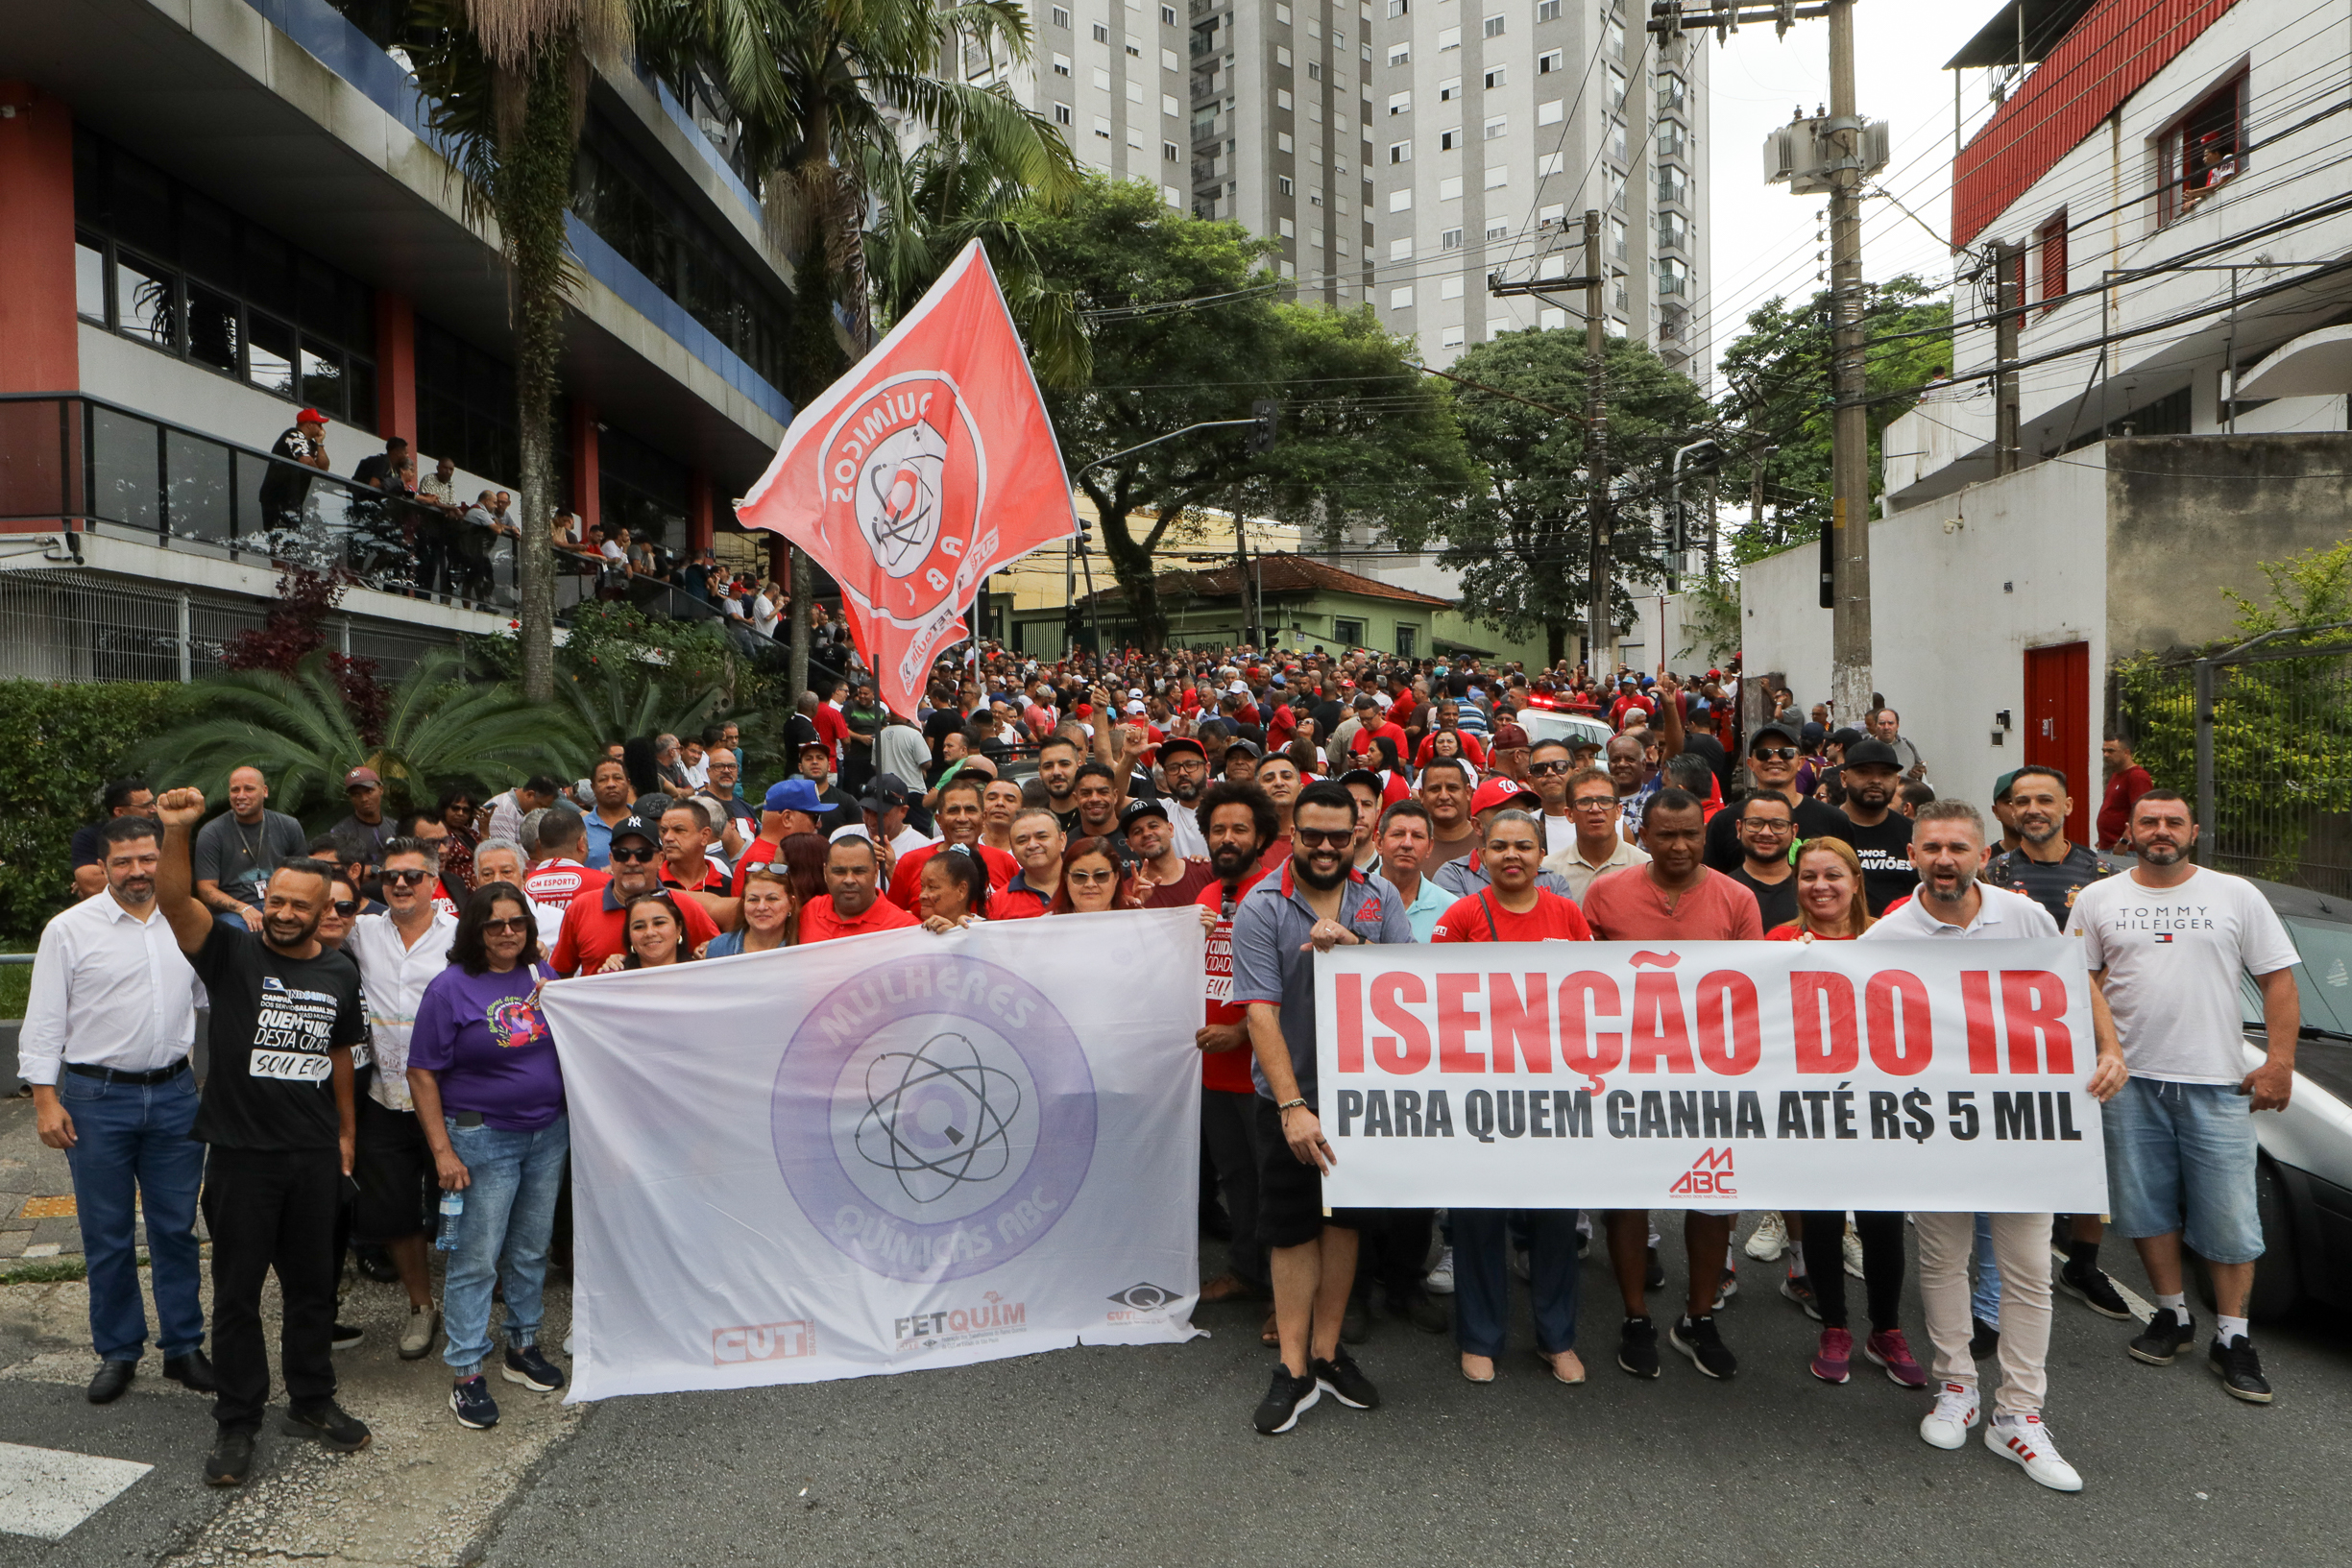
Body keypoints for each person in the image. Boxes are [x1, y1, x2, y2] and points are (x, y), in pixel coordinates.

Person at [1862, 800, 2126, 1493]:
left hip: (2021, 1127)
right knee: (1943, 1260)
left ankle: (2019, 1413)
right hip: (1935, 1130)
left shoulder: (2024, 917)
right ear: (1911, 856)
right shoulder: (1887, 936)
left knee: (2026, 1270)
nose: (1943, 858)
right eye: (1930, 847)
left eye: (1957, 846)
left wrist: (2108, 1046)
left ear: (1983, 854)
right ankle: (1956, 1385)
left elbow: (2077, 981)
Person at [151, 788, 371, 1486]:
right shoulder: (230, 955)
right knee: (238, 1296)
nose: (282, 912)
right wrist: (179, 831)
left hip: (311, 1159)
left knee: (313, 1291)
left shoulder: (339, 970)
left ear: (323, 910)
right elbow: (175, 903)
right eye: (276, 899)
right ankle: (237, 1419)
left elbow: (340, 1057)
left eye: (299, 905)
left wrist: (344, 1140)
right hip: (242, 1160)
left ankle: (310, 1398)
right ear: (266, 895)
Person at [2070, 789, 2301, 1404]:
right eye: (2149, 821)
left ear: (2193, 831)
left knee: (2228, 1215)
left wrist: (2280, 1064)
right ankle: (2171, 1313)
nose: (2161, 830)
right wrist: (2103, 1051)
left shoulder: (2236, 895)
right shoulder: (2098, 898)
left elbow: (2278, 980)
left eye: (2173, 821)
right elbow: (2077, 981)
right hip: (2128, 1083)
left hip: (2216, 1082)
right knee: (2145, 1209)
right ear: (2132, 833)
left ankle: (2233, 1337)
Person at [1230, 780, 1415, 1435]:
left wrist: (1356, 950)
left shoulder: (1379, 895)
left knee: (1344, 1224)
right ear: (1293, 834)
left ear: (1358, 835)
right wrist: (1291, 1105)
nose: (1327, 847)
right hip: (1289, 1096)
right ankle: (1292, 1368)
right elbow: (1259, 1013)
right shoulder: (1259, 905)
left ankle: (1328, 1353)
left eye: (1341, 835)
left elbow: (1411, 980)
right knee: (1291, 1228)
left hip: (1363, 1095)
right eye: (1313, 836)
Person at [24, 816, 214, 1405]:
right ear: (102, 867)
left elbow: (219, 997)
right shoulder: (69, 930)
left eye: (149, 859)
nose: (138, 872)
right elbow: (45, 1020)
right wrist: (44, 1099)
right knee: (106, 1234)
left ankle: (183, 1347)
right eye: (125, 861)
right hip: (94, 1099)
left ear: (165, 860)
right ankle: (119, 1351)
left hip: (176, 1095)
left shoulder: (187, 924)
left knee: (176, 1230)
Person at [1581, 788, 1762, 1383]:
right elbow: (1584, 985)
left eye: (1691, 835)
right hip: (1626, 1072)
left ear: (1705, 836)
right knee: (1628, 1195)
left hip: (1710, 1075)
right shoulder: (1606, 894)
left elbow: (1756, 992)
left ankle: (1698, 1317)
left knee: (1710, 1196)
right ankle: (1635, 1316)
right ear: (1645, 836)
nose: (1680, 846)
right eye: (1667, 835)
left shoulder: (1737, 899)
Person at [1428, 808, 1592, 1386]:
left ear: (1542, 854)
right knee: (1478, 1216)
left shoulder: (1567, 913)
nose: (1512, 856)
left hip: (1551, 1090)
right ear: (1484, 853)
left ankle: (1557, 1337)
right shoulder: (1462, 913)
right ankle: (1480, 1336)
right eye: (1500, 846)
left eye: (1524, 846)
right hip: (1480, 1090)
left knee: (1553, 1218)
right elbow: (1433, 996)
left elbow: (1592, 992)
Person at [408, 881, 567, 1430]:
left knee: (529, 1250)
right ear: (475, 929)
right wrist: (442, 1152)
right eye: (494, 924)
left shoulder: (543, 978)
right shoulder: (449, 988)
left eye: (516, 923)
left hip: (547, 1134)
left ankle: (522, 1347)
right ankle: (467, 1372)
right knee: (476, 1259)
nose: (506, 933)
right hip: (481, 1139)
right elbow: (422, 1072)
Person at [1979, 766, 2132, 1315]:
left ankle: (2084, 1261)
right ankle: (2001, 1261)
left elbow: (2116, 955)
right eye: (2022, 801)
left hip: (2084, 1029)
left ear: (2069, 805)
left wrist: (2088, 1018)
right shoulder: (1990, 872)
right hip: (2011, 1034)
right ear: (2009, 810)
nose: (2033, 809)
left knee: (2088, 1148)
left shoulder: (2105, 874)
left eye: (2045, 799)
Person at [344, 837, 459, 1363]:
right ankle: (421, 1306)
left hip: (451, 1095)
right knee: (392, 1209)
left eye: (413, 875)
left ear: (434, 881)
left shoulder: (461, 936)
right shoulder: (361, 930)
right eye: (390, 876)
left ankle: (471, 1303)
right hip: (383, 1096)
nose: (400, 884)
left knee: (466, 1203)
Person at [1194, 782, 1279, 1317]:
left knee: (1276, 1182)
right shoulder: (1205, 896)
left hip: (1261, 1073)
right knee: (1237, 1178)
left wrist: (1243, 1033)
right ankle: (1249, 1271)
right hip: (1211, 1072)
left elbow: (1291, 983)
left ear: (1262, 837)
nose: (1227, 839)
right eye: (1218, 829)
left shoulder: (1274, 896)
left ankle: (1285, 1289)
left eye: (1239, 829)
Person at [548, 816, 719, 976]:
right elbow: (558, 975)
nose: (632, 862)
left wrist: (706, 952)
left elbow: (723, 961)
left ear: (660, 859)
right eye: (622, 854)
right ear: (611, 859)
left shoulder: (685, 907)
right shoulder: (581, 907)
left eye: (643, 854)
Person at [1703, 722, 1850, 874]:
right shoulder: (1723, 822)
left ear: (1801, 763)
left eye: (1786, 753)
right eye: (1764, 753)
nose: (1775, 759)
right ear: (1750, 763)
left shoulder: (1834, 820)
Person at [192, 768, 309, 929]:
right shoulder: (212, 832)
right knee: (235, 931)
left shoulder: (288, 825)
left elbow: (304, 876)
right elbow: (206, 889)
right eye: (235, 790)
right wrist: (243, 908)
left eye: (249, 789)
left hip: (283, 903)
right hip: (235, 911)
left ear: (265, 791)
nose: (241, 795)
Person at [886, 776, 1020, 909]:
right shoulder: (910, 863)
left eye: (970, 810)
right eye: (953, 811)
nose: (962, 818)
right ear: (939, 820)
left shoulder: (1005, 862)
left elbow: (1018, 916)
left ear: (983, 817)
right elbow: (894, 921)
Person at [1832, 738, 1919, 914]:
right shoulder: (1821, 827)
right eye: (1864, 772)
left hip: (1900, 938)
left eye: (1885, 774)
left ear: (1897, 781)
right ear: (1843, 778)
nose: (1876, 781)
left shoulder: (1916, 834)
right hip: (1836, 939)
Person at [1542, 766, 1650, 901]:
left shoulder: (1646, 867)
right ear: (1569, 814)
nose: (1595, 809)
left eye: (1604, 801)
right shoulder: (1549, 871)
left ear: (1618, 811)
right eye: (1584, 802)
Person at [798, 833, 919, 943]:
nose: (849, 880)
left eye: (859, 871)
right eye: (839, 872)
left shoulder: (906, 928)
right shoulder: (810, 911)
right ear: (825, 872)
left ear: (876, 872)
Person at [71, 778, 158, 899]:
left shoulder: (163, 830)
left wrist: (111, 879)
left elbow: (178, 876)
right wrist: (155, 879)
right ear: (119, 811)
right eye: (146, 806)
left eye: (147, 860)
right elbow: (91, 885)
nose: (154, 810)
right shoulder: (88, 837)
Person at [1726, 794, 1800, 929]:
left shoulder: (1810, 890)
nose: (1766, 832)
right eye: (1755, 823)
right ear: (1739, 828)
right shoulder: (1722, 892)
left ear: (1794, 832)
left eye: (1778, 825)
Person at [257, 407, 330, 533]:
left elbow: (324, 468)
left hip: (293, 500)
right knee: (279, 536)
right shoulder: (294, 434)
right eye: (319, 424)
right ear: (309, 424)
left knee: (291, 539)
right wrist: (316, 469)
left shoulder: (311, 444)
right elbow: (305, 460)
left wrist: (319, 443)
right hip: (278, 497)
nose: (321, 428)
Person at [708, 861, 801, 955]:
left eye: (772, 899)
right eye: (753, 899)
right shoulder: (718, 948)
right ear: (743, 902)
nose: (761, 907)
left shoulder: (803, 949)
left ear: (791, 904)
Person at [993, 808, 1068, 919]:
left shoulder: (1087, 885)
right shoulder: (998, 903)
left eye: (1042, 837)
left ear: (1062, 841)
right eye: (1022, 840)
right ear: (1013, 849)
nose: (1032, 845)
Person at [329, 766, 395, 885]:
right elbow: (341, 872)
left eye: (369, 791)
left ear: (381, 789)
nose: (364, 799)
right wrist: (379, 870)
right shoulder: (341, 833)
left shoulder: (396, 827)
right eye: (356, 794)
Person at [1417, 756, 1481, 867]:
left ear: (1468, 792)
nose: (1444, 796)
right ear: (1422, 795)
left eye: (1452, 788)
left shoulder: (1487, 842)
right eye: (1435, 789)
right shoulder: (1410, 844)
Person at [2096, 734, 2153, 853]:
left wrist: (2124, 841)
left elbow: (2142, 813)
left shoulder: (2137, 776)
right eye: (2104, 751)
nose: (2106, 755)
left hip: (2126, 850)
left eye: (2111, 751)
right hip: (2108, 846)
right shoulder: (2117, 774)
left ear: (2126, 752)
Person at [1158, 737, 1213, 857]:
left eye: (1190, 765)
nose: (1182, 772)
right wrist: (1129, 758)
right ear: (1165, 775)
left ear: (1207, 769)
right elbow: (1118, 801)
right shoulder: (1162, 811)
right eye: (1173, 768)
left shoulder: (1227, 811)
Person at [915, 845, 991, 931]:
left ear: (961, 890)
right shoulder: (914, 935)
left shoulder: (988, 931)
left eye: (932, 887)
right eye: (922, 886)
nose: (922, 896)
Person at [1526, 737, 1579, 856]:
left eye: (1560, 766)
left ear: (1575, 775)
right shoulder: (1524, 826)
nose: (1549, 772)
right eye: (1539, 769)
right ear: (1531, 780)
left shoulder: (1609, 822)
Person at [616, 892, 696, 969]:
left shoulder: (704, 973)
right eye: (639, 926)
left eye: (659, 923)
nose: (650, 932)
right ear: (629, 936)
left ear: (679, 929)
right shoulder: (612, 979)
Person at [1047, 838, 1124, 914]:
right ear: (1066, 878)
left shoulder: (1133, 920)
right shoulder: (1046, 924)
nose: (1090, 884)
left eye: (1100, 875)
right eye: (1080, 876)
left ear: (1116, 877)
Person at [1868, 707, 1927, 780]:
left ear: (1897, 726)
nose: (1886, 727)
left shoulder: (1908, 745)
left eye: (1890, 723)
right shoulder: (1865, 748)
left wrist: (1920, 772)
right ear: (1875, 726)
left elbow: (1921, 768)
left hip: (1907, 790)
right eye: (1882, 723)